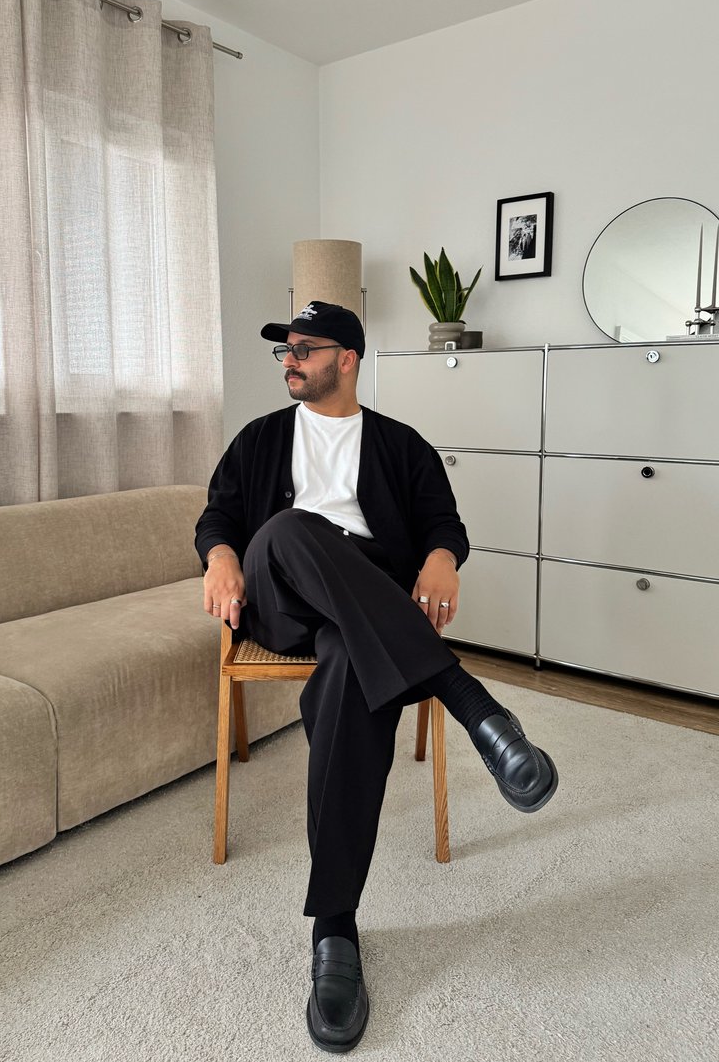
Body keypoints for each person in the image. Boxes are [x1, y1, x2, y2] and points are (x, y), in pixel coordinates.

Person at [195, 301, 558, 1053]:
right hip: (280, 595)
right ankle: (472, 702)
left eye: (304, 348)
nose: (290, 360)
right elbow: (218, 516)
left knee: (349, 673)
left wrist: (439, 559)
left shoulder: (399, 444)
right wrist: (221, 556)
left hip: (355, 614)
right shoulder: (262, 439)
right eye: (285, 351)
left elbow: (442, 525)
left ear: (348, 359)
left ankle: (336, 929)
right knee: (294, 527)